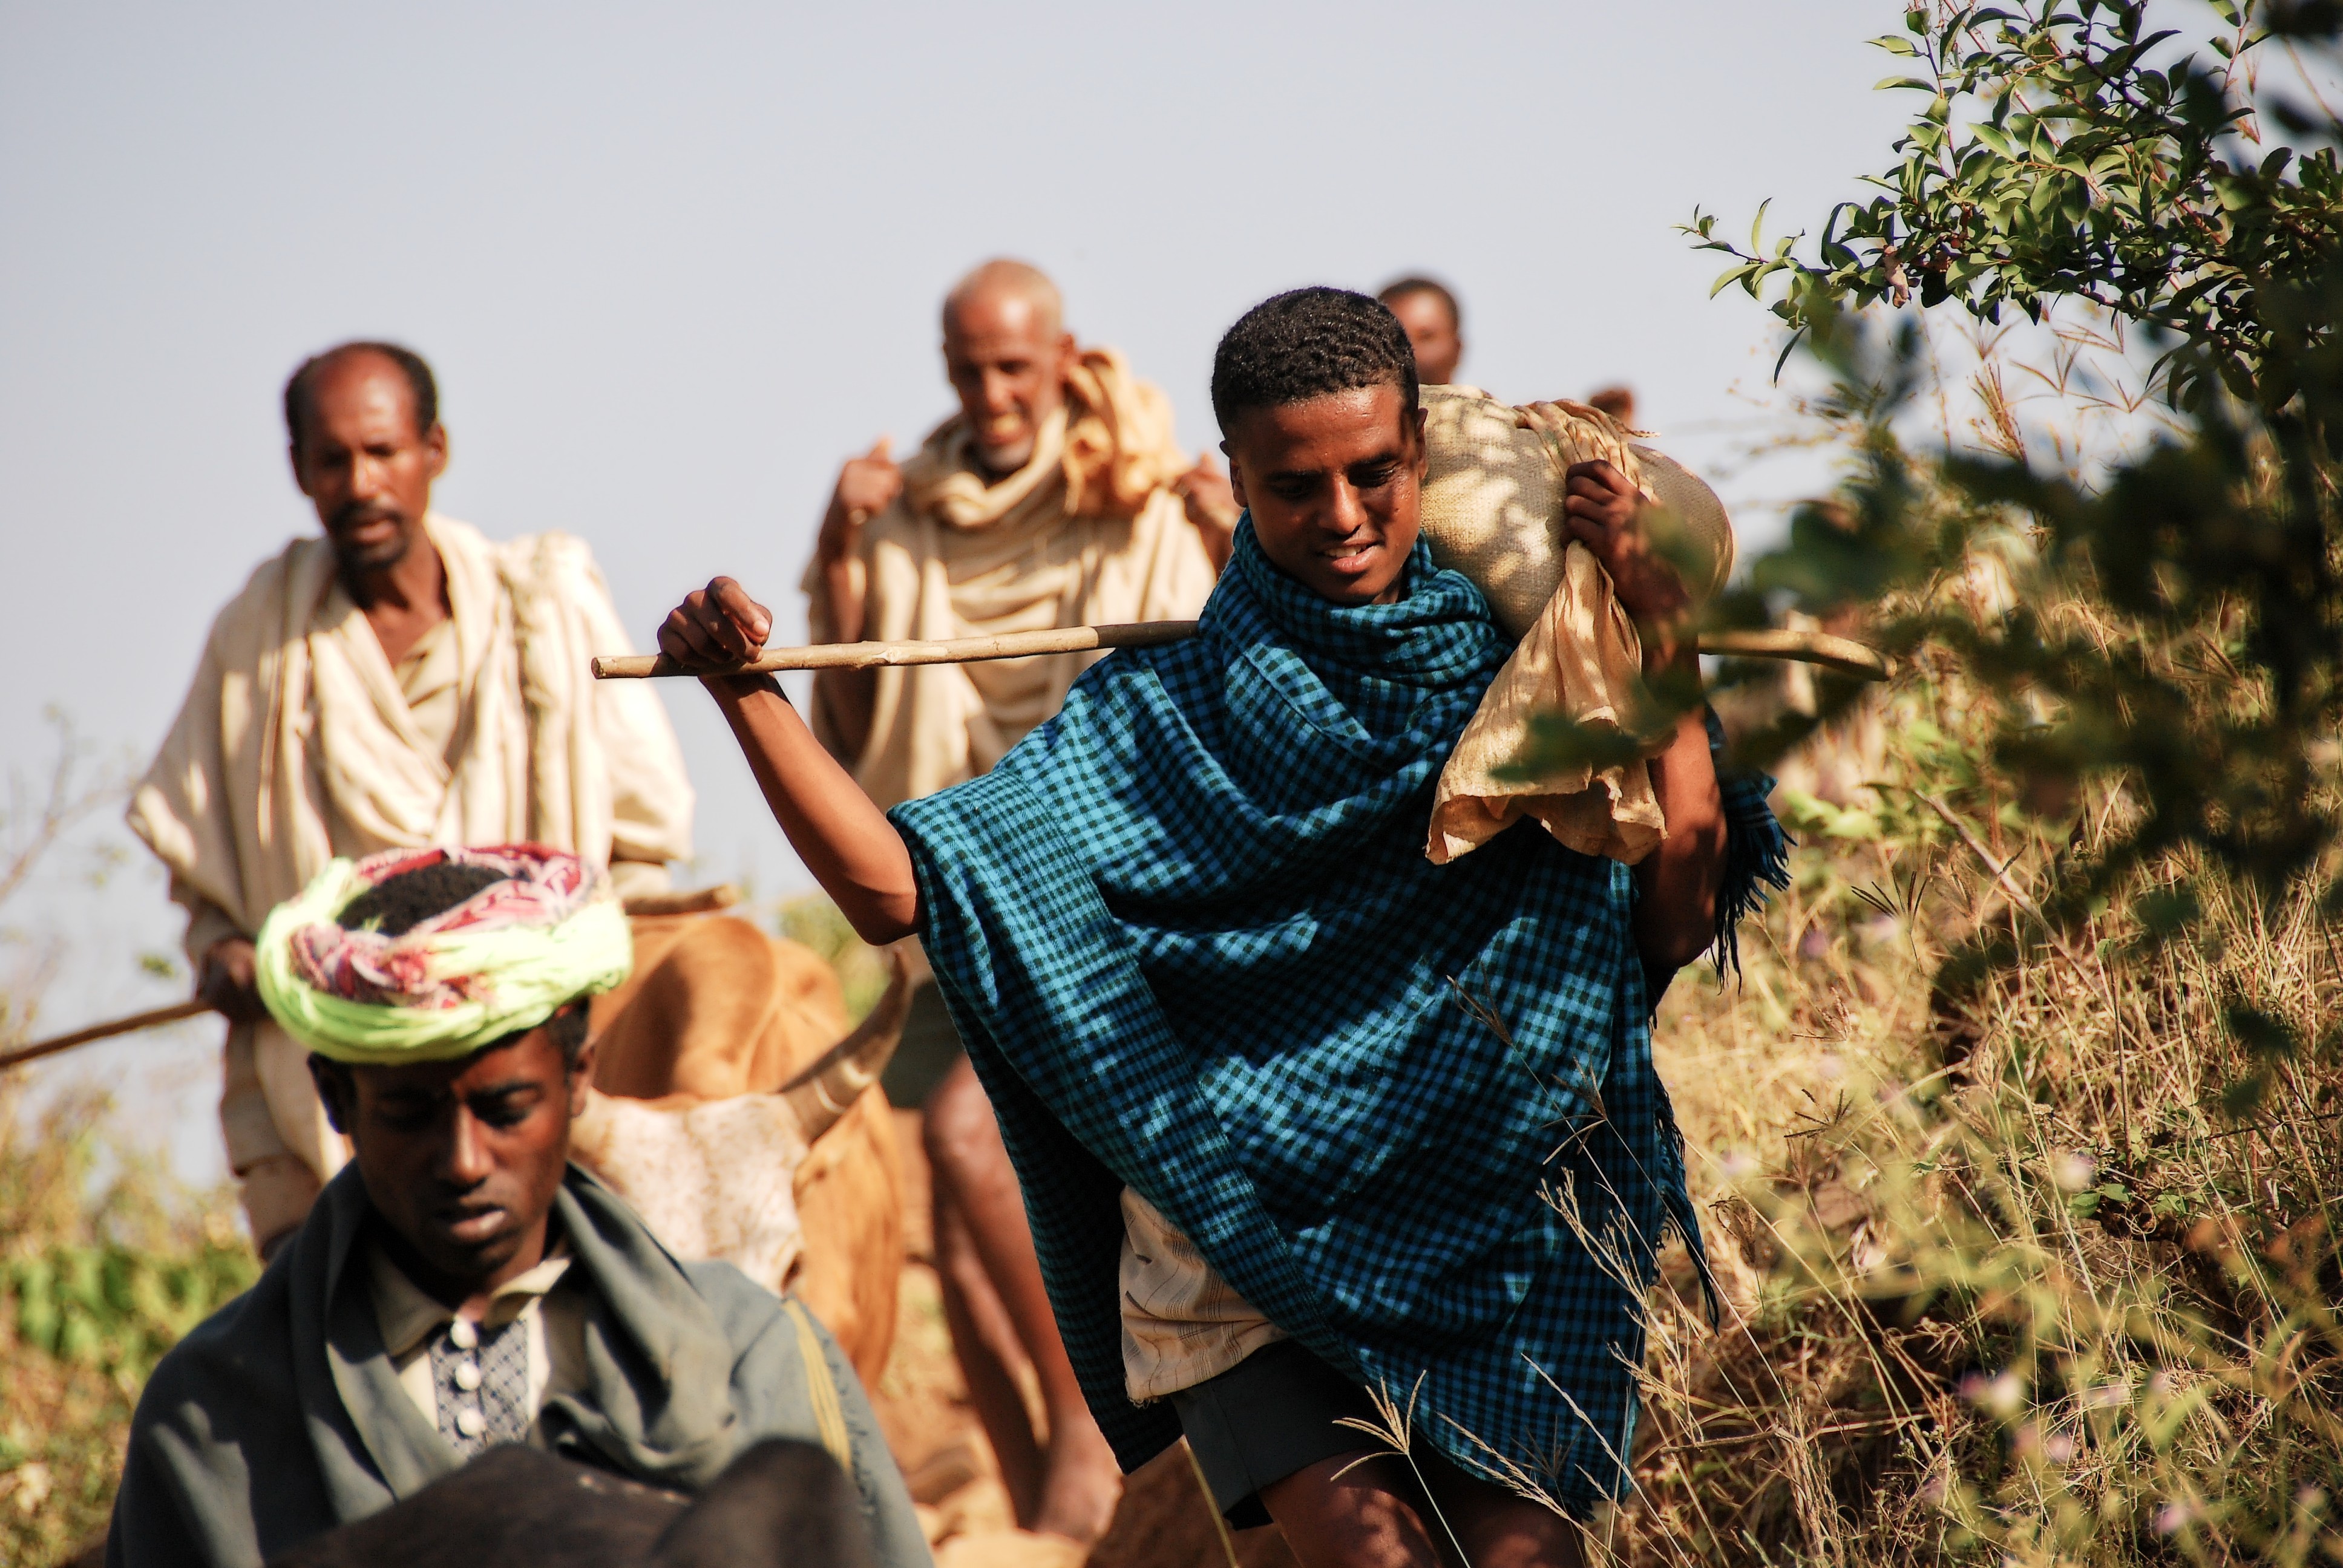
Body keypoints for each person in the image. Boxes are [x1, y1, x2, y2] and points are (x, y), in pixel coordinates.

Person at [654, 288, 1786, 1567]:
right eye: (1296, 486)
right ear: (1233, 484)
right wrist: (747, 697)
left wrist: (1667, 630)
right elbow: (897, 891)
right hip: (1243, 1254)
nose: (1344, 517)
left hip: (1500, 1235)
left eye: (1374, 474)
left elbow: (1678, 910)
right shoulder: (1153, 719)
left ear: (1419, 453)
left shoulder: (1534, 685)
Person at [105, 846, 930, 1568]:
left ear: (578, 1081)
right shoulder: (212, 1421)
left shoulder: (760, 1353)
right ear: (334, 1097)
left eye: (505, 1109)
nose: (464, 1162)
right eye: (409, 1113)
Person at [802, 258, 1231, 1543]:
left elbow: (1211, 675)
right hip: (945, 896)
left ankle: (1097, 1466)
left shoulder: (1143, 493)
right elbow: (846, 721)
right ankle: (1037, 1495)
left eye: (1013, 369)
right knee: (950, 1192)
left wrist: (1225, 537)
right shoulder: (900, 516)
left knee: (969, 1146)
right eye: (967, 370)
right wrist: (835, 552)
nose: (990, 395)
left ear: (1060, 359)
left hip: (1103, 903)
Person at [126, 342, 693, 1253]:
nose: (360, 484)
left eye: (383, 453)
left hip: (536, 1071)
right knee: (325, 1349)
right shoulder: (258, 641)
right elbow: (207, 869)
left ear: (434, 449)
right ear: (300, 470)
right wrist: (225, 949)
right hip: (344, 1084)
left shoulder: (541, 609)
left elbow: (641, 843)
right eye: (332, 460)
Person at [1377, 275, 1464, 387]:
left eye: (1426, 338)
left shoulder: (1484, 403)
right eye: (1395, 339)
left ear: (1457, 349)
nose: (1409, 351)